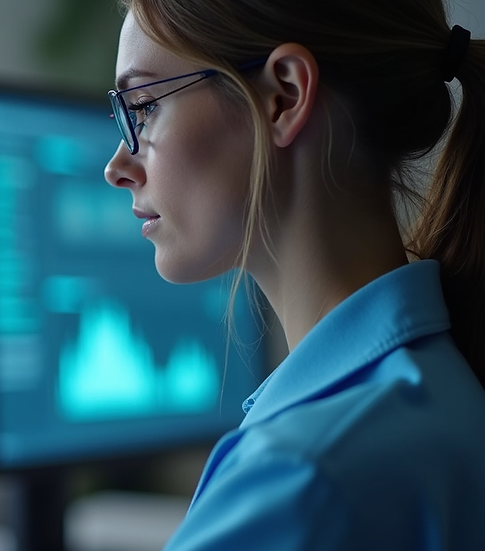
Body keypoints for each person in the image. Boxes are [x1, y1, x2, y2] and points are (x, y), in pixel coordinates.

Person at [103, 0, 485, 548]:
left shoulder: (298, 479)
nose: (116, 166)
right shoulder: (436, 383)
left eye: (142, 108)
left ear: (284, 96)